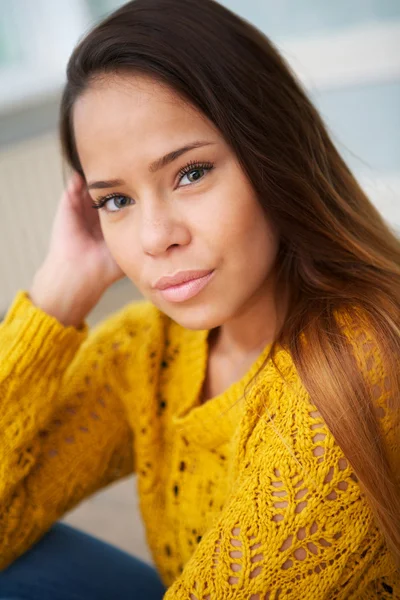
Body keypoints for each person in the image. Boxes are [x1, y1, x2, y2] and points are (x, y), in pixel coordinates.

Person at [0, 0, 399, 598]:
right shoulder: (150, 349)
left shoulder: (359, 362)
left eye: (190, 173)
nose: (156, 238)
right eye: (116, 201)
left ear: (274, 154)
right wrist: (58, 295)